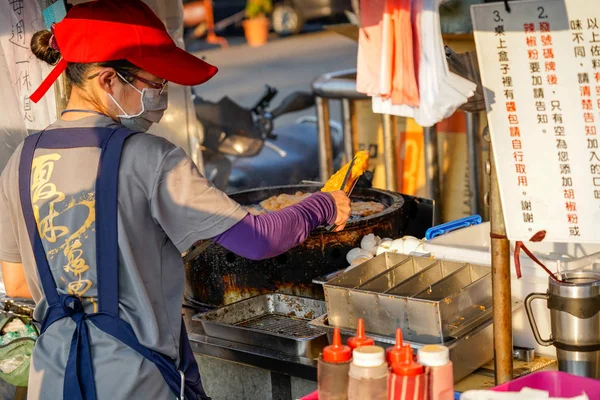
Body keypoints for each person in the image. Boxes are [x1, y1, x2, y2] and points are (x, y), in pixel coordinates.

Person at [0, 1, 351, 399]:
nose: (162, 97)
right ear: (108, 81)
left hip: (53, 380)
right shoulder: (149, 157)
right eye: (155, 84)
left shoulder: (21, 160)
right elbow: (258, 238)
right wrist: (322, 204)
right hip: (136, 382)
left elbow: (16, 282)